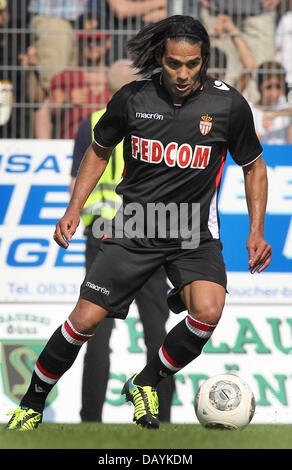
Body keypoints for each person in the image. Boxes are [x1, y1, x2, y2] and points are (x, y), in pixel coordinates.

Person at [5, 15, 271, 431]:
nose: (183, 74)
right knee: (85, 321)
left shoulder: (228, 104)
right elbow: (99, 150)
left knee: (208, 310)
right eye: (173, 64)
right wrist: (75, 207)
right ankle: (31, 404)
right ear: (159, 59)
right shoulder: (132, 99)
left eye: (192, 64)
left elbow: (254, 166)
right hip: (135, 226)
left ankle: (144, 382)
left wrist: (257, 230)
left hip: (192, 231)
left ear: (204, 60)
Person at [71, 59, 174, 423]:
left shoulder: (92, 122)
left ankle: (90, 419)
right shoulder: (157, 120)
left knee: (93, 329)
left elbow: (76, 185)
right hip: (148, 231)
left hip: (101, 235)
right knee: (156, 330)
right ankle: (161, 416)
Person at [49, 12, 111, 139]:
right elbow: (51, 114)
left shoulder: (117, 79)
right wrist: (67, 102)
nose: (92, 44)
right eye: (87, 39)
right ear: (79, 41)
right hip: (72, 149)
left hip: (109, 150)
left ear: (108, 43)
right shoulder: (65, 78)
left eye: (98, 39)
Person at [249, 61, 292, 144]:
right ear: (259, 87)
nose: (274, 93)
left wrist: (273, 115)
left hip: (284, 154)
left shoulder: (284, 108)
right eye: (269, 87)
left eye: (278, 87)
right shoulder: (250, 110)